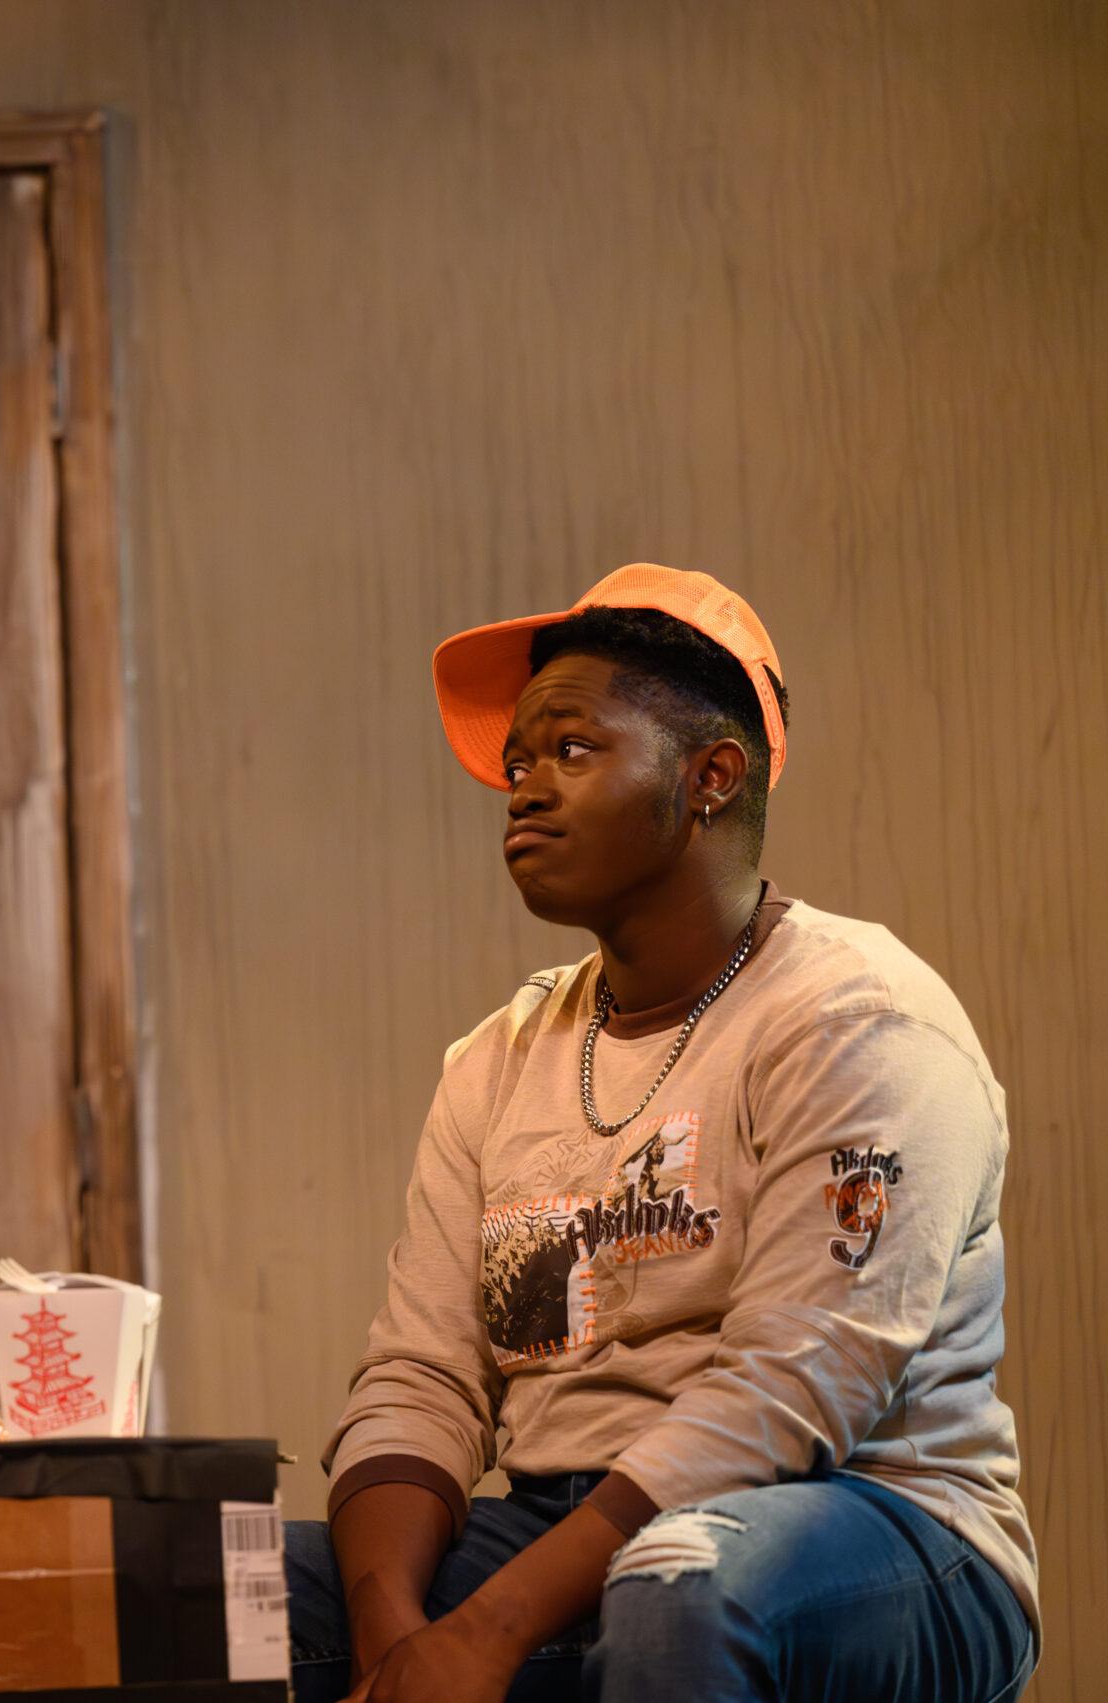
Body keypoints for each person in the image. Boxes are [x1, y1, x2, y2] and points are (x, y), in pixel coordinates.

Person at [291, 566, 1038, 1702]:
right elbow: (422, 1374)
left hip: (872, 1520)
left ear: (709, 778)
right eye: (517, 764)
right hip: (563, 1522)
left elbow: (794, 1389)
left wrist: (487, 1631)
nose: (524, 791)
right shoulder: (497, 1058)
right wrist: (395, 1637)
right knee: (211, 1587)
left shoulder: (857, 1019)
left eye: (571, 749)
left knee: (678, 1580)